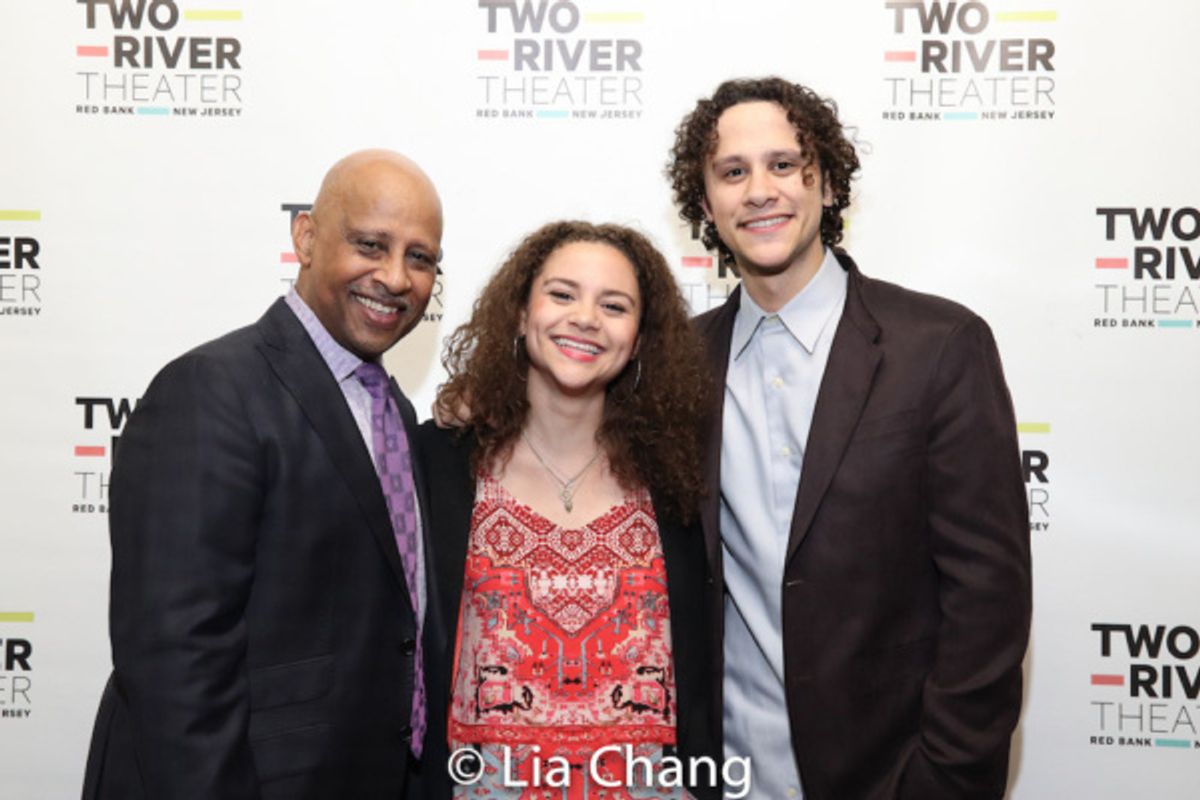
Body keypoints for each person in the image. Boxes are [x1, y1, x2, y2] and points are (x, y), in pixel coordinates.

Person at [666, 77, 1031, 800]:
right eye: (733, 172)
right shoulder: (678, 363)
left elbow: (988, 599)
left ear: (827, 183)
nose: (759, 190)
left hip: (891, 777)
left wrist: (940, 779)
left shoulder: (939, 346)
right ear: (706, 205)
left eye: (783, 164)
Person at [81, 149, 445, 799]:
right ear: (305, 237)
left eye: (420, 258)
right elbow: (175, 663)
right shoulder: (211, 390)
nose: (394, 277)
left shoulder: (392, 407)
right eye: (370, 244)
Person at [416, 221, 722, 799]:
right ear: (518, 313)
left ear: (639, 338)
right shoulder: (438, 463)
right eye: (561, 294)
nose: (585, 318)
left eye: (614, 305)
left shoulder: (678, 480)